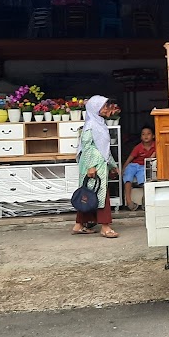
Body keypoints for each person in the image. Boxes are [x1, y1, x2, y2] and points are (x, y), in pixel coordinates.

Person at [72, 95, 120, 238]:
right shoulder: (91, 125)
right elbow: (86, 146)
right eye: (104, 106)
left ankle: (79, 225)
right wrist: (91, 166)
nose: (107, 109)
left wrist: (112, 165)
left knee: (88, 194)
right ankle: (105, 227)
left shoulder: (99, 123)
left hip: (99, 164)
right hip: (92, 165)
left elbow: (104, 148)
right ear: (95, 108)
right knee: (99, 194)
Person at [123, 124, 156, 211]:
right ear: (141, 137)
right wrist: (124, 167)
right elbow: (130, 158)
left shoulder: (156, 145)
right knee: (128, 178)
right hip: (133, 165)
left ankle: (146, 201)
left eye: (148, 134)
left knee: (144, 180)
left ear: (153, 136)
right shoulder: (138, 147)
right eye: (143, 134)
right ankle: (129, 201)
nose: (146, 136)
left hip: (144, 166)